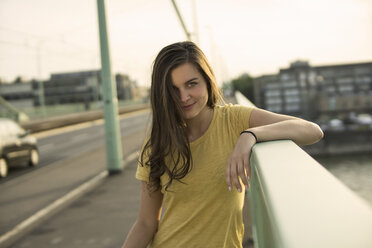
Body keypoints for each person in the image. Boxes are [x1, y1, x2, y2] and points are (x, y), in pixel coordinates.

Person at [122, 41, 323, 248]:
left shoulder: (234, 120)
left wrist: (250, 135)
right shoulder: (158, 142)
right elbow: (146, 223)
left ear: (208, 81)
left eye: (192, 84)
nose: (184, 97)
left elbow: (311, 131)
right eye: (174, 89)